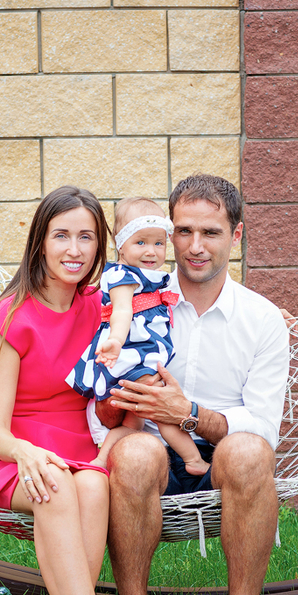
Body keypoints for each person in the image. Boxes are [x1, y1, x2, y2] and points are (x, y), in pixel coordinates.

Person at [98, 174, 291, 595]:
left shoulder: (263, 320)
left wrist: (188, 412)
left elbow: (263, 426)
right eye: (183, 231)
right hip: (152, 454)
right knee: (132, 455)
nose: (195, 246)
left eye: (211, 232)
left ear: (237, 235)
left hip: (226, 458)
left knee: (249, 451)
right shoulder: (136, 305)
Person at [0, 186, 145, 595]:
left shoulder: (103, 309)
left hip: (81, 452)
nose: (75, 250)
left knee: (93, 487)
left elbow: (163, 300)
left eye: (87, 237)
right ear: (40, 240)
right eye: (62, 235)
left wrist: (274, 315)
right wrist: (26, 453)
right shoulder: (11, 317)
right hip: (9, 457)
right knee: (57, 485)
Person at [67, 196, 208, 475]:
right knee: (159, 404)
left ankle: (101, 459)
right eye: (140, 242)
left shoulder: (152, 277)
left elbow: (199, 296)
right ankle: (193, 459)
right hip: (130, 356)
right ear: (121, 245)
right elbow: (121, 311)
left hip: (142, 356)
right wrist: (116, 341)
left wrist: (268, 312)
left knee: (135, 424)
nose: (151, 251)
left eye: (158, 243)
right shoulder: (123, 276)